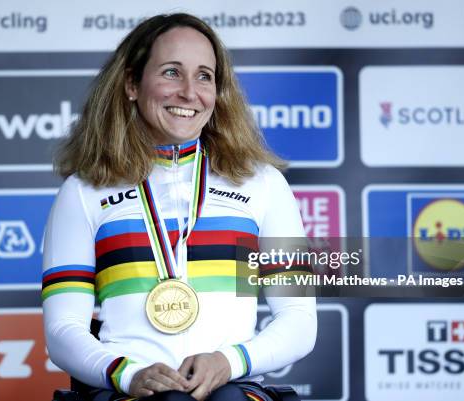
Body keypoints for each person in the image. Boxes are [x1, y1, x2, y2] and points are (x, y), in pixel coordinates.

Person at [43, 13, 317, 401]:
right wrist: (128, 374)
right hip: (129, 388)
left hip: (232, 387)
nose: (190, 92)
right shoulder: (84, 190)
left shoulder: (264, 184)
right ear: (132, 84)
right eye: (172, 72)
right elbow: (62, 330)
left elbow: (300, 320)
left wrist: (229, 361)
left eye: (205, 76)